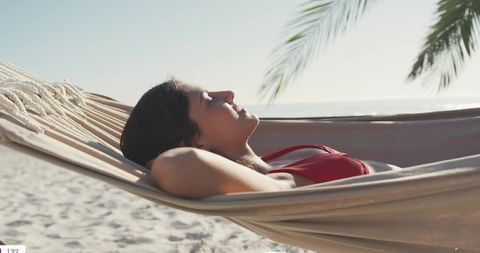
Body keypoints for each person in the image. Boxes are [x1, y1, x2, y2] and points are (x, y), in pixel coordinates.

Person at [120, 77, 401, 199]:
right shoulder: (272, 186)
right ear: (195, 141)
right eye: (210, 101)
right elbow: (176, 166)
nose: (228, 94)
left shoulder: (272, 162)